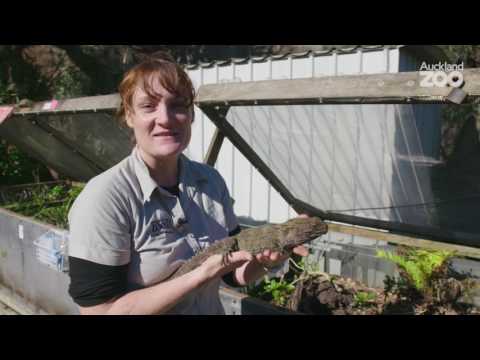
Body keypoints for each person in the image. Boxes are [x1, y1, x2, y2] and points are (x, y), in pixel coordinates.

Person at [67, 52, 307, 315]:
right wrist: (199, 275)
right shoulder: (106, 198)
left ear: (191, 114)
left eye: (178, 105)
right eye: (149, 106)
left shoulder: (210, 182)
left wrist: (267, 262)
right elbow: (98, 312)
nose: (166, 118)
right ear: (129, 115)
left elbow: (231, 275)